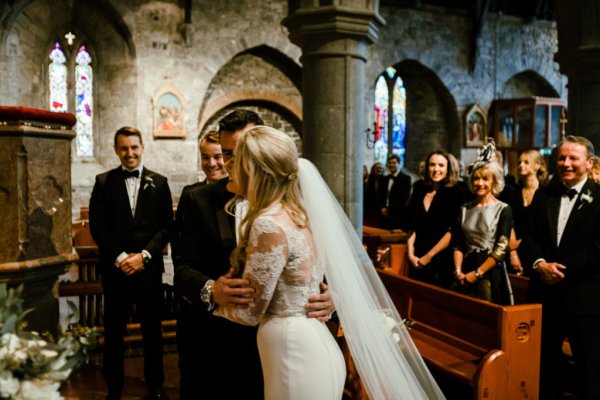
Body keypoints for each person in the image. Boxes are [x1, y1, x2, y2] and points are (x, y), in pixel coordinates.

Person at [215, 125, 445, 400]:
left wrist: (215, 296)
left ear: (253, 170)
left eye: (235, 160)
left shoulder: (268, 223)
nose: (228, 166)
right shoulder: (300, 215)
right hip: (312, 343)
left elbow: (250, 312)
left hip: (294, 352)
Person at [171, 110, 334, 400]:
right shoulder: (198, 198)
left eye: (240, 154)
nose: (229, 164)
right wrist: (212, 291)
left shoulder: (298, 202)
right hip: (218, 343)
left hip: (282, 348)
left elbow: (325, 261)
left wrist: (332, 296)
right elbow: (182, 266)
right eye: (227, 154)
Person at [89, 126, 173, 400]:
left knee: (153, 331)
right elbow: (98, 226)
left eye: (134, 147)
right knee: (114, 333)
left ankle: (156, 387)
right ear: (116, 150)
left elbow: (166, 227)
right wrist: (122, 257)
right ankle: (114, 389)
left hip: (148, 270)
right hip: (117, 270)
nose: (129, 153)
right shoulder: (103, 182)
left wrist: (144, 256)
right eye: (124, 148)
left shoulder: (159, 183)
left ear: (142, 147)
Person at [520, 135, 600, 400]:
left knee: (590, 371)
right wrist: (539, 264)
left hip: (584, 297)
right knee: (544, 367)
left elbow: (597, 249)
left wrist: (560, 271)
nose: (566, 163)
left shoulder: (599, 197)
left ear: (589, 163)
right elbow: (527, 237)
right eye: (562, 158)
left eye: (573, 158)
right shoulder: (544, 194)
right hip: (544, 295)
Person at [452, 142, 513, 305]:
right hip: (465, 268)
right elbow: (458, 243)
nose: (480, 183)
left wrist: (477, 274)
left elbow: (501, 248)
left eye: (485, 179)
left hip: (490, 271)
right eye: (476, 178)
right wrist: (458, 271)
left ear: (494, 181)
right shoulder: (465, 208)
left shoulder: (504, 209)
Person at [406, 151, 465, 288]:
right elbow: (412, 225)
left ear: (448, 169)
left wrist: (429, 256)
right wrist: (410, 254)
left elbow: (452, 230)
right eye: (432, 165)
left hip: (441, 257)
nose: (436, 169)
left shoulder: (456, 191)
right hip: (417, 255)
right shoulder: (419, 188)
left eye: (441, 165)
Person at [509, 149, 548, 275]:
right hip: (516, 251)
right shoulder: (514, 194)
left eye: (526, 162)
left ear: (538, 165)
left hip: (539, 250)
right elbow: (510, 224)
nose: (521, 165)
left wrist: (521, 242)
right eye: (520, 162)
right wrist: (513, 253)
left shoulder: (546, 194)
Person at [381, 154, 412, 230]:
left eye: (394, 163)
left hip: (398, 215)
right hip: (383, 215)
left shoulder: (406, 179)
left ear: (399, 164)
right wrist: (382, 208)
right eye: (390, 163)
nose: (391, 165)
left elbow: (404, 199)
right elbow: (381, 196)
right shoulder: (384, 179)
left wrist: (389, 211)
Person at [363, 161, 384, 227]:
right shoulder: (368, 180)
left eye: (381, 168)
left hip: (380, 211)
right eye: (377, 168)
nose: (379, 170)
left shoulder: (385, 180)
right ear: (373, 169)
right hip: (369, 210)